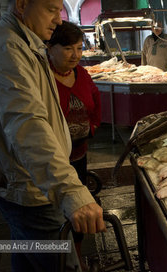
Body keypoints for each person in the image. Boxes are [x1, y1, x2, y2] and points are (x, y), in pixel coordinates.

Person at [0, 0, 105, 272]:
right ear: (21, 5)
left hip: (26, 178)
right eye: (51, 10)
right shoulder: (8, 47)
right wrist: (70, 192)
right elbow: (26, 123)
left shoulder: (23, 42)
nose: (59, 20)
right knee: (59, 261)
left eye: (59, 11)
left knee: (26, 252)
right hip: (27, 183)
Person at [47, 20, 102, 268]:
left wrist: (92, 127)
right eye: (68, 48)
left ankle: (76, 254)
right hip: (53, 162)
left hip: (79, 154)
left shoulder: (83, 74)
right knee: (55, 213)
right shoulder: (42, 77)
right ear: (50, 47)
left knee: (79, 206)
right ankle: (59, 256)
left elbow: (96, 103)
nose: (75, 55)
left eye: (79, 48)